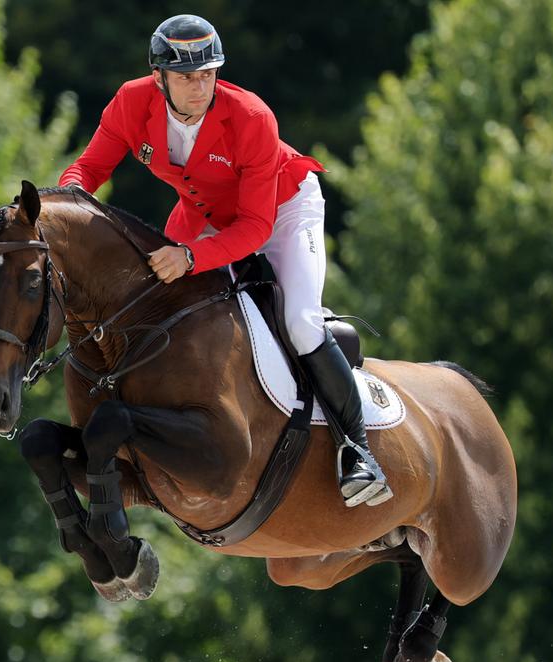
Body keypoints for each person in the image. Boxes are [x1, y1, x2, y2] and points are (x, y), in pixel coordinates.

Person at [58, 14, 392, 507]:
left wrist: (190, 257)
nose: (200, 87)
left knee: (300, 322)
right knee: (151, 301)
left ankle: (357, 451)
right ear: (159, 78)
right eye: (187, 77)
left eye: (208, 74)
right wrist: (63, 204)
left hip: (283, 209)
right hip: (205, 213)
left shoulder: (251, 117)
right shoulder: (131, 102)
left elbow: (255, 228)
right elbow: (89, 168)